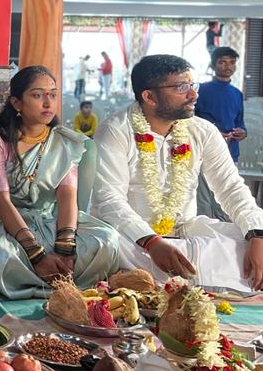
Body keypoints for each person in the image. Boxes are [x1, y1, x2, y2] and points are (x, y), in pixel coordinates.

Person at [93, 54, 263, 292]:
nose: (193, 95)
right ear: (149, 96)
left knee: (245, 240)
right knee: (105, 245)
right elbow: (108, 200)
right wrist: (151, 241)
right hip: (132, 238)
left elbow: (230, 187)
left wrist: (257, 233)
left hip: (186, 229)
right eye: (181, 87)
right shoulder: (115, 131)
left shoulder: (202, 131)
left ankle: (183, 281)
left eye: (192, 86)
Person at [0, 66, 121, 298]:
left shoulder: (65, 141)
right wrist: (36, 255)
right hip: (1, 219)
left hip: (47, 219)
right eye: (37, 95)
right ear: (16, 103)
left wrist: (65, 248)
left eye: (52, 94)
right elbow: (0, 199)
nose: (48, 103)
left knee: (107, 241)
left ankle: (58, 276)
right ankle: (50, 281)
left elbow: (67, 196)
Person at [195, 47, 247, 218]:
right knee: (203, 199)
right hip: (204, 151)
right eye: (222, 62)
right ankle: (202, 238)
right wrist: (214, 132)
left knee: (225, 197)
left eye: (232, 62)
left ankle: (223, 238)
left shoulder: (237, 94)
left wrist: (242, 133)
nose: (228, 66)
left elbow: (240, 122)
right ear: (213, 65)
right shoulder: (200, 90)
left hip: (230, 152)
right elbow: (190, 120)